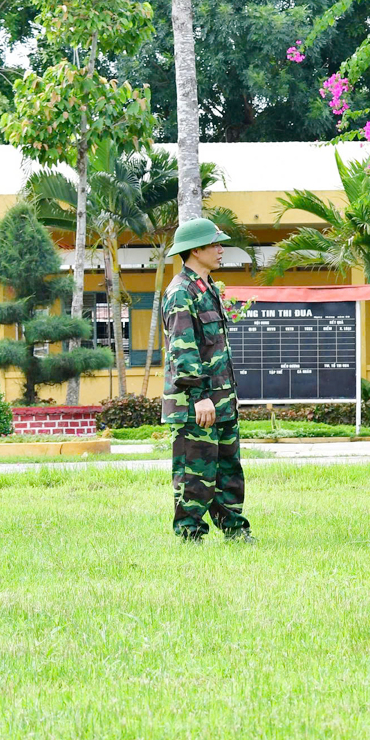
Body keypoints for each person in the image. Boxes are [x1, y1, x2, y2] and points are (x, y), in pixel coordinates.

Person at [161, 218, 252, 542]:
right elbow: (182, 348)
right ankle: (189, 535)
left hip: (221, 400)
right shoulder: (180, 293)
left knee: (228, 470)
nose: (220, 249)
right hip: (195, 403)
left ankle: (235, 530)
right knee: (195, 471)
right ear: (195, 249)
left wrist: (221, 398)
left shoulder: (208, 288)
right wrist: (199, 396)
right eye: (214, 244)